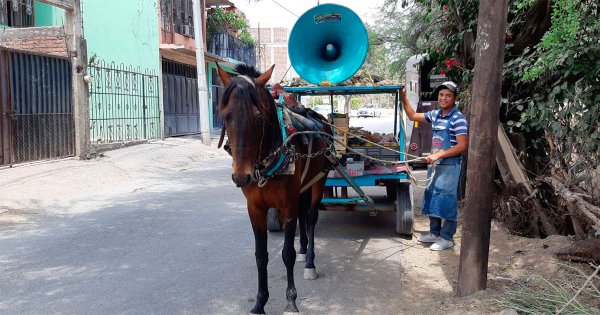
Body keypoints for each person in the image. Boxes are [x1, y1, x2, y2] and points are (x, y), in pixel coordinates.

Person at [400, 81, 468, 251]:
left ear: (455, 98)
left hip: (450, 165)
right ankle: (434, 233)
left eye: (448, 95)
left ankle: (447, 238)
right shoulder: (436, 114)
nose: (443, 98)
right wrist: (403, 98)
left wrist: (438, 154)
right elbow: (413, 116)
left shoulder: (458, 118)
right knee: (432, 197)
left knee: (446, 200)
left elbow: (462, 146)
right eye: (441, 95)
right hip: (435, 164)